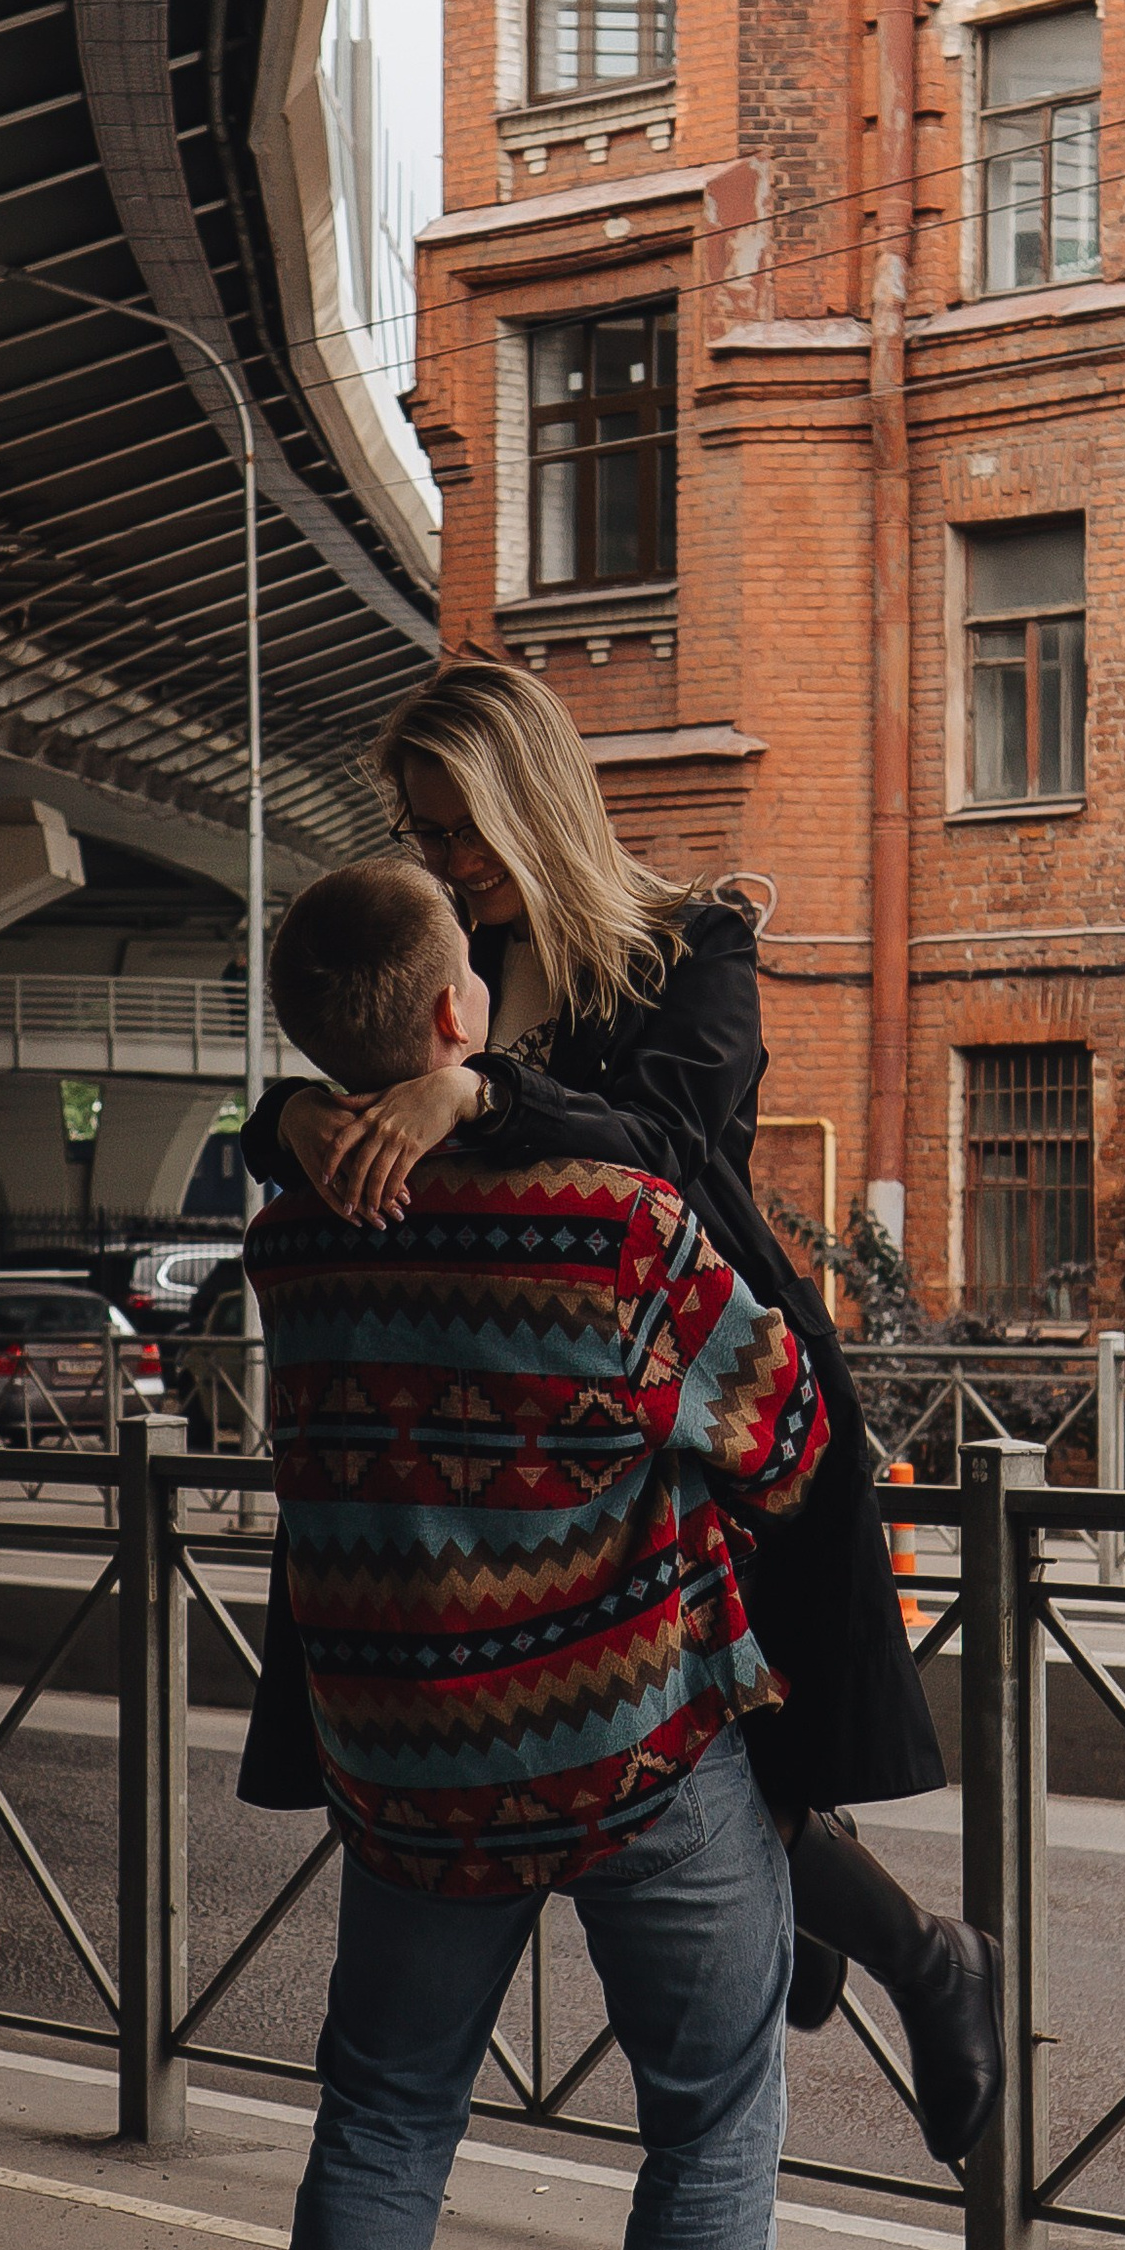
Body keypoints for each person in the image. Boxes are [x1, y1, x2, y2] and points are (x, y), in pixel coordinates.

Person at [155, 861, 884, 2250]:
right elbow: (789, 1435)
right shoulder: (611, 1216)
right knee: (711, 2120)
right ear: (454, 1014)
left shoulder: (296, 1239)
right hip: (640, 1745)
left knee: (385, 2121)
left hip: (412, 1767)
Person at [236, 654, 999, 2165]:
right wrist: (292, 1112)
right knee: (648, 1764)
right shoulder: (446, 953)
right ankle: (894, 1952)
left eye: (459, 824)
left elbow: (671, 1137)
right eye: (420, 826)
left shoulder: (689, 943)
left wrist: (480, 1098)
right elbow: (346, 1094)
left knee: (728, 1758)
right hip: (509, 1455)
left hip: (713, 1419)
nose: (442, 857)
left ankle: (915, 1959)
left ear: (533, 803)